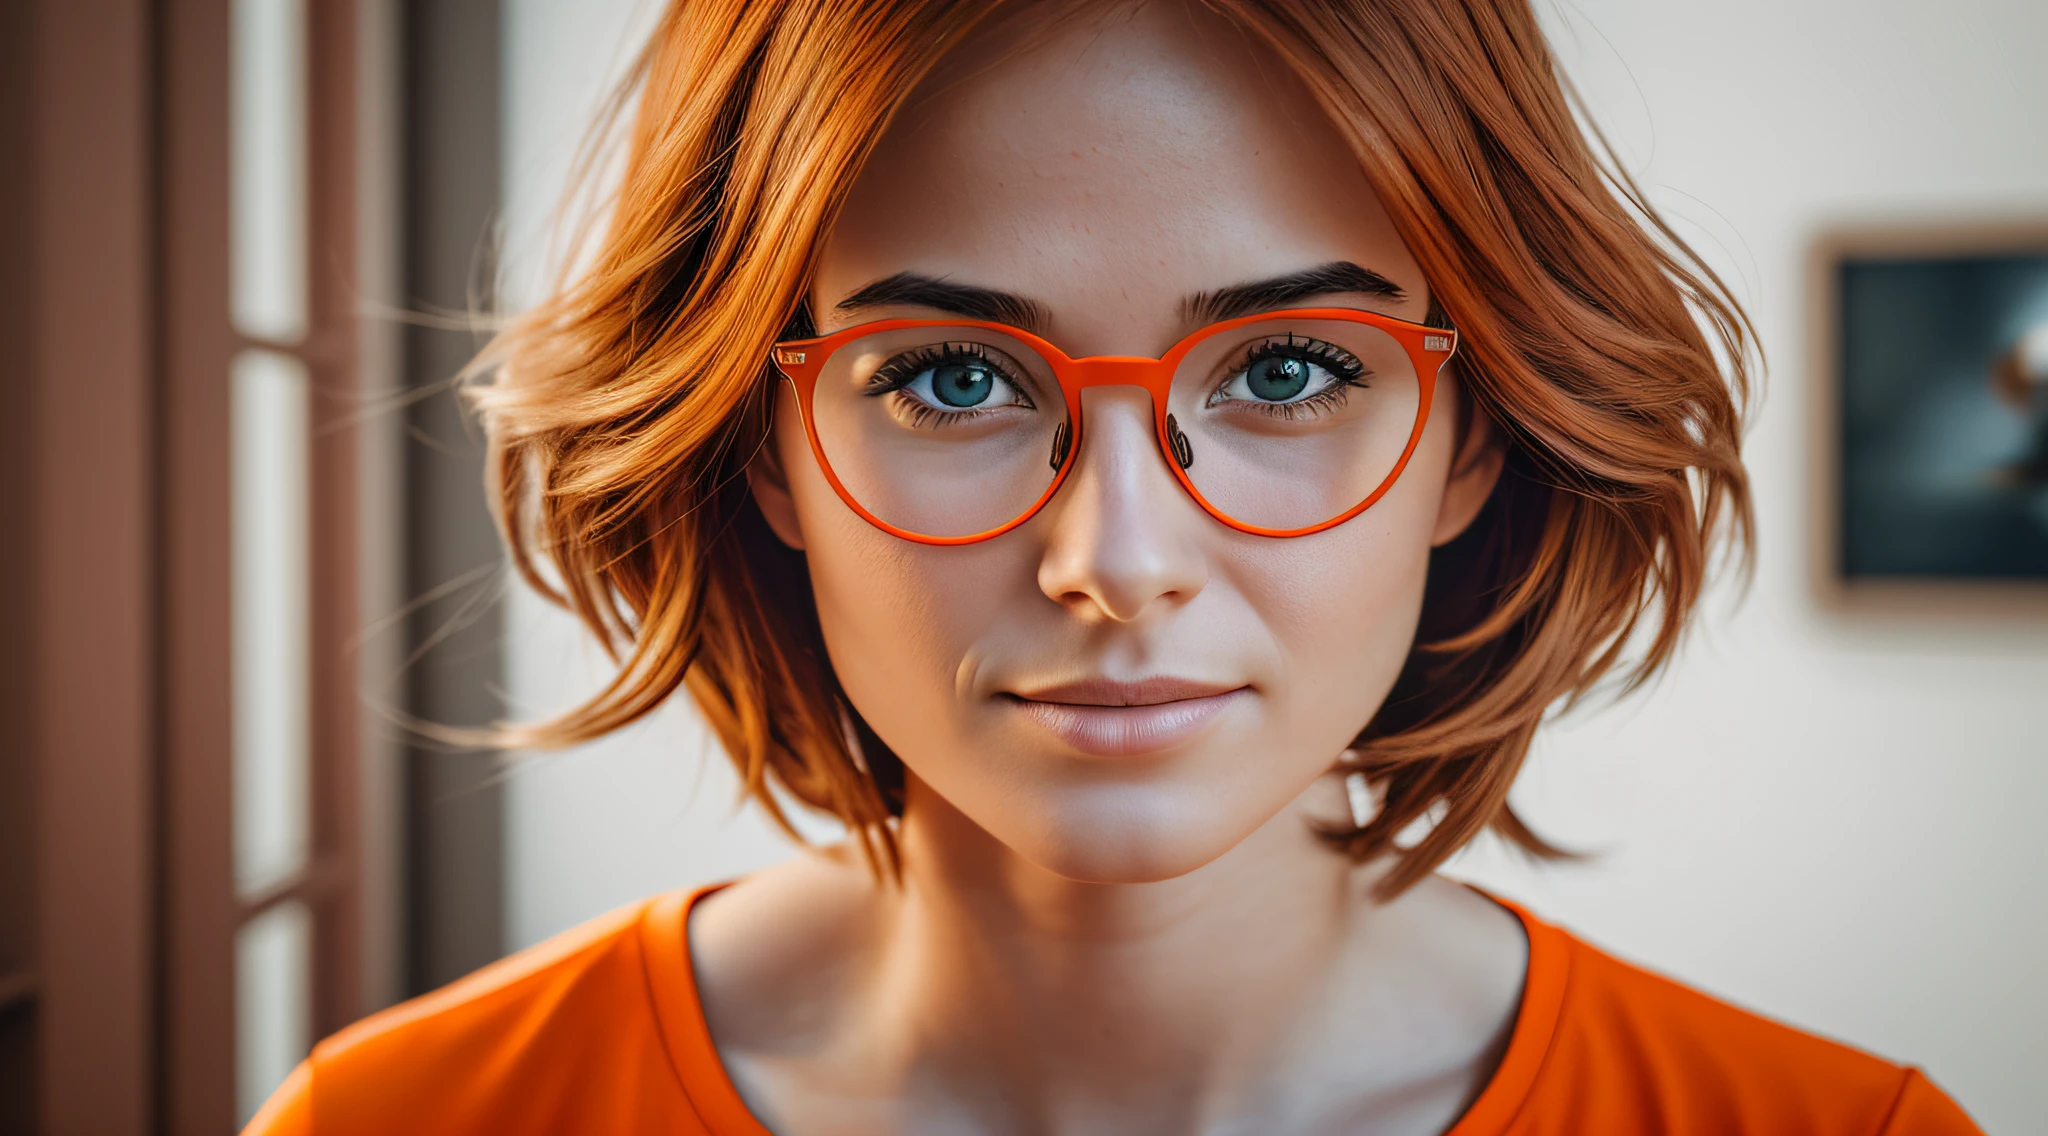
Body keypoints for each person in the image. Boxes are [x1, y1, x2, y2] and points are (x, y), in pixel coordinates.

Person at [246, 1, 1982, 1132]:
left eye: (1286, 371)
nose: (1119, 561)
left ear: (1474, 439)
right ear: (763, 447)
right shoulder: (404, 1119)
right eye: (953, 380)